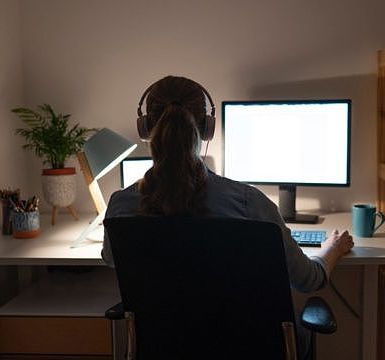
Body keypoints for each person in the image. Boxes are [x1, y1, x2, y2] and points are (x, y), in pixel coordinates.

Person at [102, 75, 353, 357]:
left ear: (146, 128)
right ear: (207, 129)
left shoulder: (121, 206)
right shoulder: (250, 204)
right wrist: (332, 249)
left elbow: (112, 259)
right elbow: (309, 280)